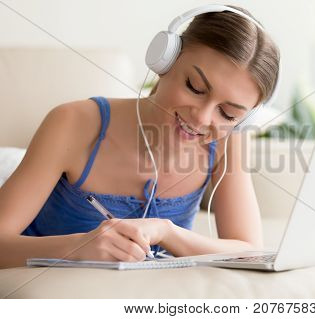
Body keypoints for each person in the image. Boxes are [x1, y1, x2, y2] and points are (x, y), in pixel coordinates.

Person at [0, 5, 280, 268]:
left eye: (228, 114)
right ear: (165, 59)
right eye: (195, 87)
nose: (202, 118)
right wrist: (79, 248)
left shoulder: (226, 142)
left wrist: (166, 232)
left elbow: (249, 252)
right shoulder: (74, 123)